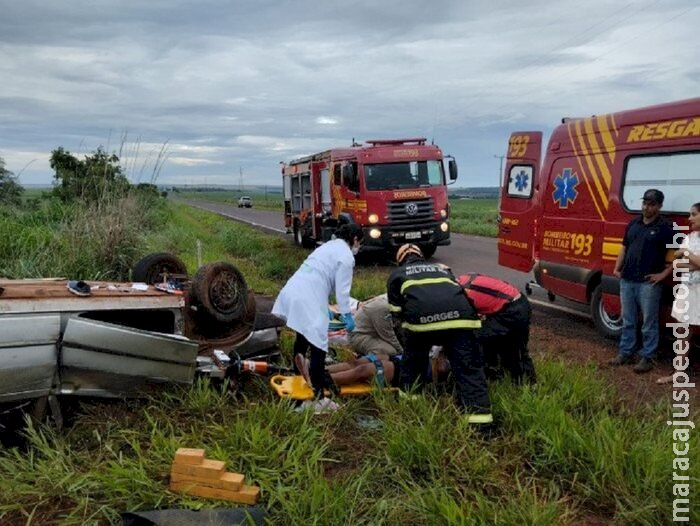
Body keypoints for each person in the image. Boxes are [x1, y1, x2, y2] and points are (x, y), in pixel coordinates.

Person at [387, 243, 492, 426]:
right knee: (468, 368)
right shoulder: (442, 270)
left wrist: (408, 345)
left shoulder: (397, 275)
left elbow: (396, 315)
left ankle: (411, 408)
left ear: (400, 260)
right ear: (421, 256)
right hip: (462, 320)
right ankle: (480, 422)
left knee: (412, 364)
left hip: (422, 324)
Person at [272, 223, 364, 407]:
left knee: (303, 335)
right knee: (319, 344)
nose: (358, 247)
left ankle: (299, 377)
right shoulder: (346, 257)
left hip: (294, 289)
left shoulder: (328, 246)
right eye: (359, 243)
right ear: (354, 239)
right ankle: (318, 396)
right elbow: (342, 293)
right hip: (309, 297)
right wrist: (346, 316)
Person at [609, 189, 674, 373]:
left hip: (648, 284)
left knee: (648, 322)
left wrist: (663, 275)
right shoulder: (633, 224)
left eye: (652, 204)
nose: (646, 207)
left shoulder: (665, 228)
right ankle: (626, 353)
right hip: (627, 280)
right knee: (628, 319)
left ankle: (648, 357)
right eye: (645, 203)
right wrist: (617, 267)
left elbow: (677, 254)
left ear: (659, 206)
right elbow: (624, 248)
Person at [457, 273, 537, 384]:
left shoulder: (462, 295)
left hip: (512, 310)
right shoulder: (462, 280)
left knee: (477, 339)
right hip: (515, 302)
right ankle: (503, 375)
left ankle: (522, 382)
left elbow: (465, 323)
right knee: (501, 343)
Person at [658, 201, 700, 384]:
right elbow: (679, 264)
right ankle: (678, 372)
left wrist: (685, 253)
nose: (689, 218)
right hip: (687, 291)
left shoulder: (686, 244)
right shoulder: (689, 237)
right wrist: (692, 260)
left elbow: (689, 260)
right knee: (683, 332)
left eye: (693, 214)